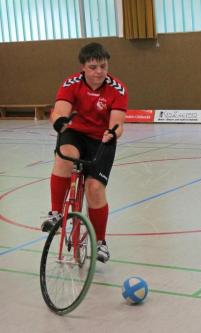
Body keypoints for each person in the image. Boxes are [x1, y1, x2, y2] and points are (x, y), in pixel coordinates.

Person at [41, 42, 128, 263]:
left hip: (102, 139)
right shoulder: (71, 84)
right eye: (93, 67)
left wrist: (113, 132)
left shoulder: (118, 89)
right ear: (83, 68)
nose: (99, 71)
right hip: (75, 134)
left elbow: (118, 122)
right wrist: (60, 121)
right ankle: (56, 213)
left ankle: (100, 242)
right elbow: (60, 109)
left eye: (103, 66)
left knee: (94, 188)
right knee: (64, 157)